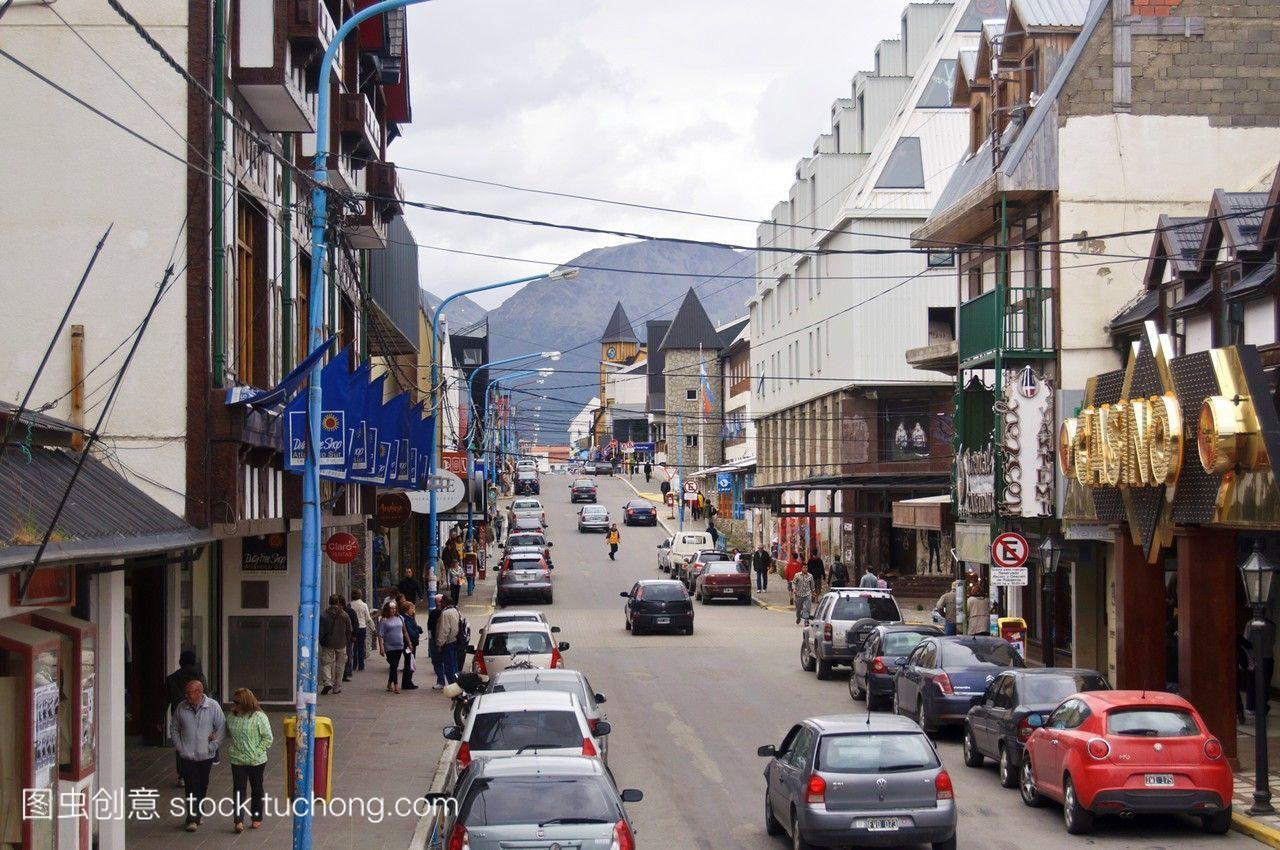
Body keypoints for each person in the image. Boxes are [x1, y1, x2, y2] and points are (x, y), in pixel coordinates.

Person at [170, 679, 224, 832]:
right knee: (190, 785)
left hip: (205, 755)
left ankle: (198, 811)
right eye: (185, 692)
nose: (186, 696)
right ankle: (192, 817)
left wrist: (212, 746)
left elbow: (221, 728)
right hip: (187, 756)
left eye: (190, 693)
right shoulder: (181, 707)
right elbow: (174, 728)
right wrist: (180, 748)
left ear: (199, 692)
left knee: (202, 784)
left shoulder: (213, 706)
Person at [225, 687, 271, 833]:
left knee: (257, 788)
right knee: (239, 789)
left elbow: (267, 738)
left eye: (237, 702)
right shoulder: (232, 717)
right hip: (237, 759)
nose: (235, 705)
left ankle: (256, 817)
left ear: (245, 702)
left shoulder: (259, 717)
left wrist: (256, 752)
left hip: (256, 760)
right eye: (234, 702)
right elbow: (225, 732)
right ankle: (238, 819)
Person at [166, 650, 207, 785]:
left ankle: (182, 775)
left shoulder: (172, 678)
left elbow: (165, 699)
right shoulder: (200, 678)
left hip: (180, 715)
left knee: (181, 744)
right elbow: (207, 696)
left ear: (180, 662)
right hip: (199, 714)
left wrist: (160, 719)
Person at [318, 594, 351, 695]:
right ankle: (337, 687)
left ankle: (327, 681)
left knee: (326, 663)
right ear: (338, 602)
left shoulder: (324, 615)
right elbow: (349, 630)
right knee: (340, 666)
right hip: (341, 644)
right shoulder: (344, 615)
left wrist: (322, 641)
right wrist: (347, 641)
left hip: (328, 644)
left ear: (329, 602)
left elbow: (321, 631)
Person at [376, 599, 410, 693]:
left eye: (395, 608)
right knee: (394, 665)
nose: (393, 610)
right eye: (391, 609)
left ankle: (389, 683)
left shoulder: (400, 618)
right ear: (388, 609)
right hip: (389, 646)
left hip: (399, 645)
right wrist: (381, 648)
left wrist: (409, 643)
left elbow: (405, 631)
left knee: (394, 666)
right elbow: (380, 635)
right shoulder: (384, 620)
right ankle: (396, 685)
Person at [436, 596, 462, 685]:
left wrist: (440, 644)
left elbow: (444, 630)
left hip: (448, 643)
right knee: (454, 665)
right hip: (455, 640)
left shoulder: (445, 613)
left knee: (449, 666)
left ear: (444, 602)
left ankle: (453, 685)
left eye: (442, 602)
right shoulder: (455, 610)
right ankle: (457, 683)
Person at [400, 600, 422, 690]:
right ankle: (407, 682)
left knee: (409, 662)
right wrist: (417, 631)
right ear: (407, 610)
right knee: (409, 662)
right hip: (409, 644)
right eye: (411, 608)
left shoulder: (410, 618)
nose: (413, 610)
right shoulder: (406, 619)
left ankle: (408, 681)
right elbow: (411, 632)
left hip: (412, 643)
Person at [349, 589, 373, 672]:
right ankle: (361, 665)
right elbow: (368, 618)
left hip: (353, 628)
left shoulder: (350, 605)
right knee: (361, 646)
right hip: (362, 627)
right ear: (360, 595)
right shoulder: (364, 605)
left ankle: (354, 665)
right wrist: (373, 628)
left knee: (354, 647)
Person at [427, 593, 445, 690]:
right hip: (434, 639)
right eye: (436, 602)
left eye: (439, 601)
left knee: (439, 661)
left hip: (442, 640)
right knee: (436, 661)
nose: (438, 604)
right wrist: (430, 639)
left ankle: (441, 681)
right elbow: (429, 627)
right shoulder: (434, 613)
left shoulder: (444, 613)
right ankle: (441, 680)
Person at [341, 595, 358, 681]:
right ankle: (346, 673)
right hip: (347, 637)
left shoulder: (349, 612)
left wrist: (354, 635)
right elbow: (355, 624)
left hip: (347, 637)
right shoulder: (351, 611)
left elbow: (355, 624)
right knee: (348, 655)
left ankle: (347, 673)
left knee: (348, 655)